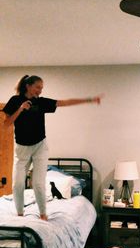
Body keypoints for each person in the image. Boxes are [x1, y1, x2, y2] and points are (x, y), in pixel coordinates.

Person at [3, 75, 103, 221]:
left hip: (40, 146)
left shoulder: (41, 102)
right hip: (22, 148)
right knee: (17, 183)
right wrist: (20, 109)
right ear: (28, 86)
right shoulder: (15, 100)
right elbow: (6, 124)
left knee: (38, 183)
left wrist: (88, 100)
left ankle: (43, 214)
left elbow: (64, 103)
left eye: (42, 88)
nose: (40, 91)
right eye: (38, 87)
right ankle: (19, 215)